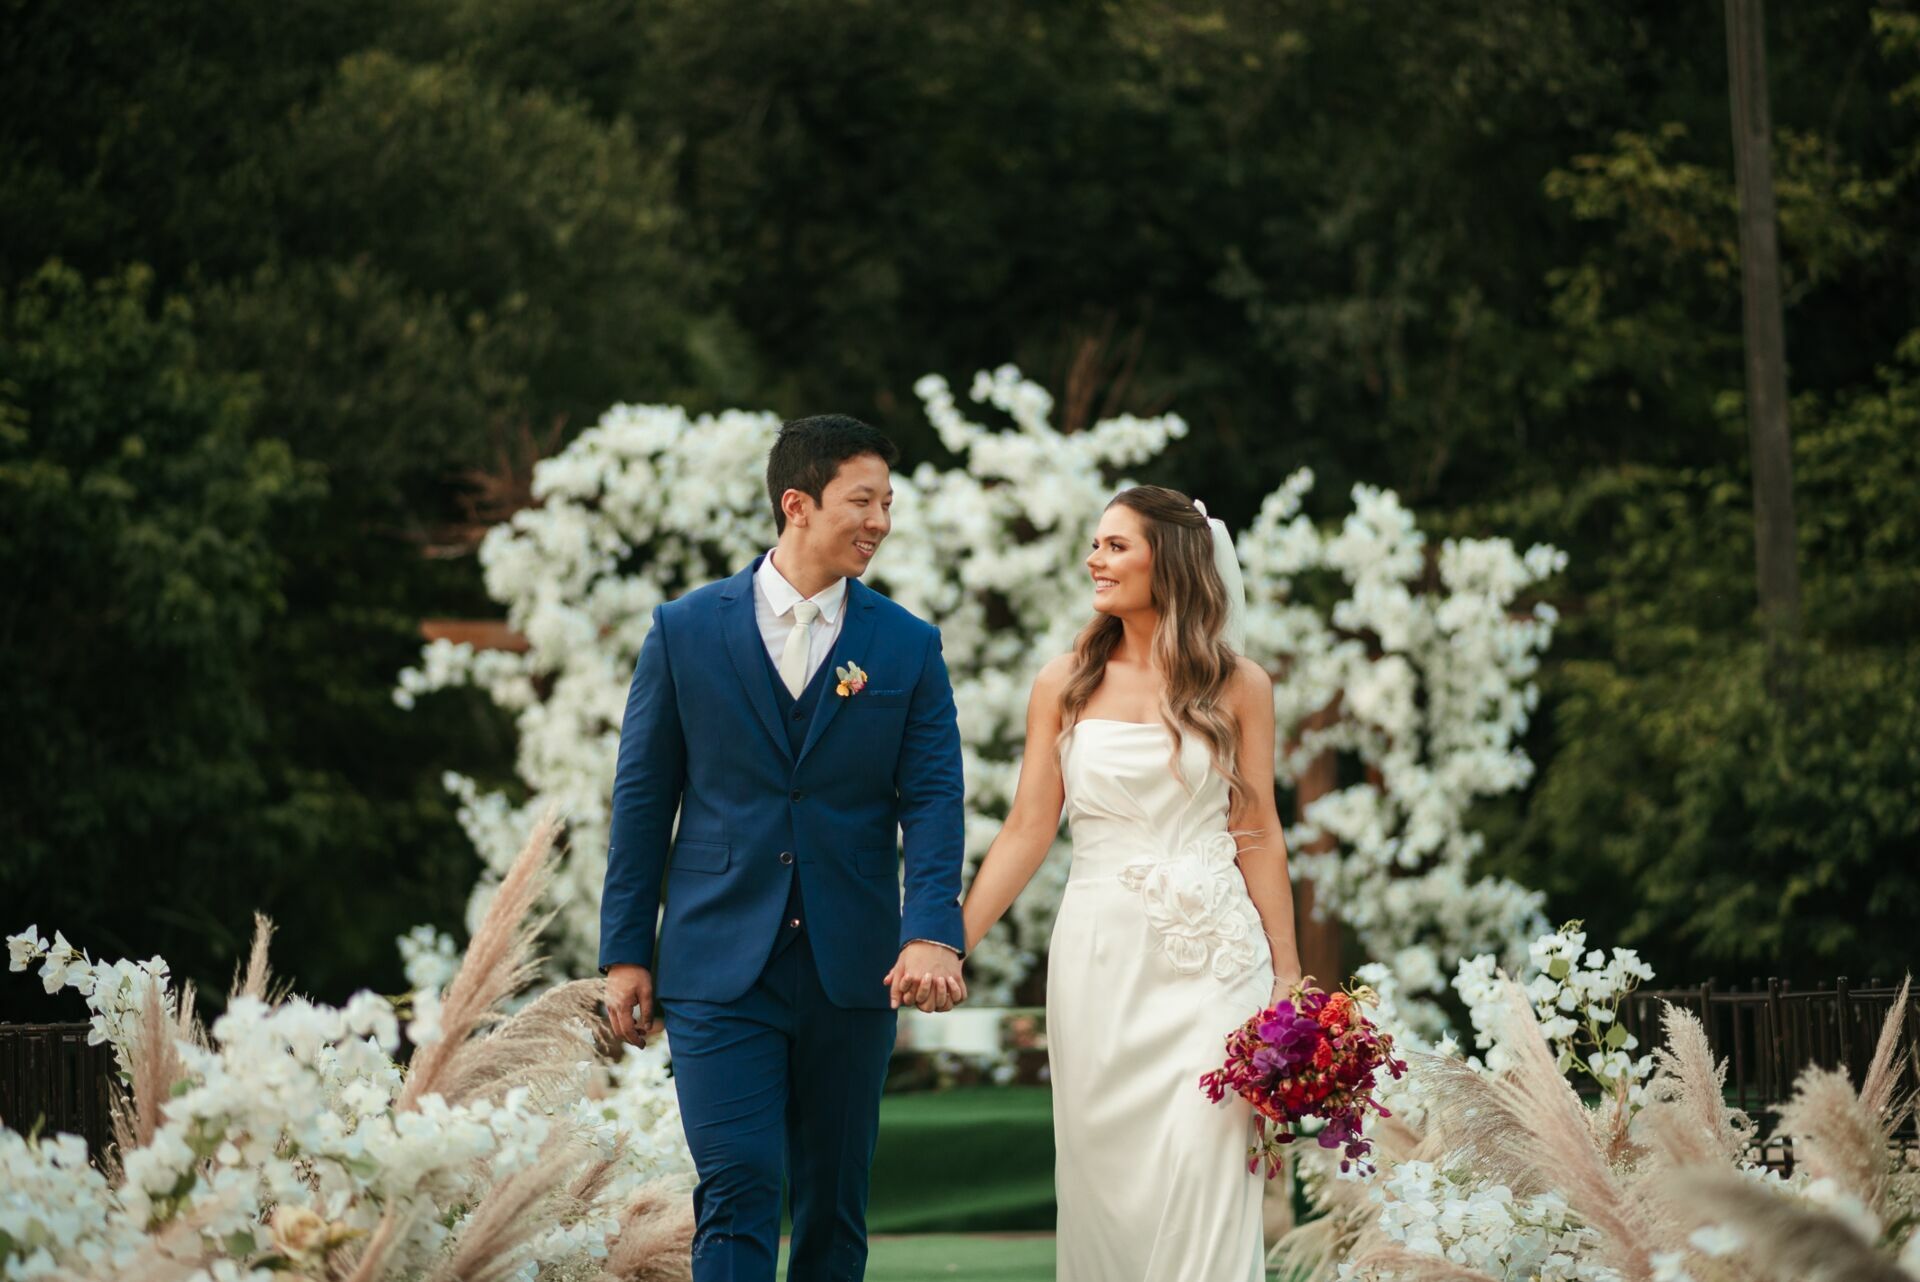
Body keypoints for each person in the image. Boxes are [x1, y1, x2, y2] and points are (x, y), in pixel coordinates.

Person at [599, 414, 968, 1282]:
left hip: (853, 965)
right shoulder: (684, 631)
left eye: (888, 502)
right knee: (739, 1183)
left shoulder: (907, 646)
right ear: (796, 504)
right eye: (861, 500)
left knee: (835, 1203)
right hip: (716, 962)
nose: (879, 520)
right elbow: (644, 800)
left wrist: (931, 930)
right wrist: (624, 951)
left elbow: (935, 799)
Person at [959, 484, 1305, 1281]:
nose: (1095, 559)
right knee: (1105, 1190)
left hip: (1217, 963)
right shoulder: (1065, 681)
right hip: (1101, 960)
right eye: (1095, 543)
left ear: (1172, 560)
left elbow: (1256, 829)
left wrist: (1285, 972)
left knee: (1205, 1166)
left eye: (1116, 545)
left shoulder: (1241, 685)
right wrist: (951, 940)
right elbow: (1027, 829)